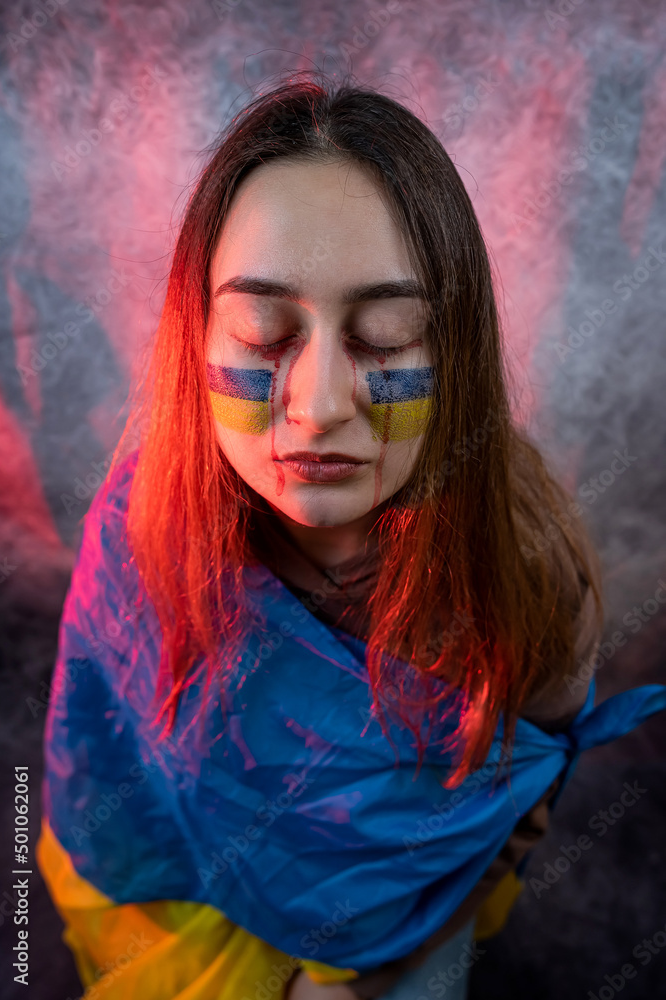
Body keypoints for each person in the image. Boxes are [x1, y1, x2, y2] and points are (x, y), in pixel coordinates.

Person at [36, 72, 666, 1000]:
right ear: (194, 340)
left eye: (385, 335)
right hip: (165, 911)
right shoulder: (139, 523)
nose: (321, 404)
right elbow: (104, 757)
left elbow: (515, 808)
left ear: (452, 353)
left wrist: (372, 969)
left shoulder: (527, 580)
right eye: (260, 334)